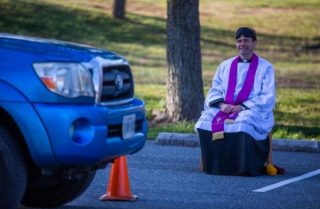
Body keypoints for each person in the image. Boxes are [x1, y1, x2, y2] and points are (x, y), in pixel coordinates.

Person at [195, 27, 276, 176]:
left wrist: (243, 107)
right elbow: (215, 89)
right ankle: (213, 165)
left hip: (251, 108)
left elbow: (268, 96)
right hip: (225, 107)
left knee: (243, 125)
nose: (242, 44)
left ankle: (243, 167)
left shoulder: (265, 67)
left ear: (255, 43)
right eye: (239, 41)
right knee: (203, 122)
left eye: (246, 40)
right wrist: (221, 104)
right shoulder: (225, 65)